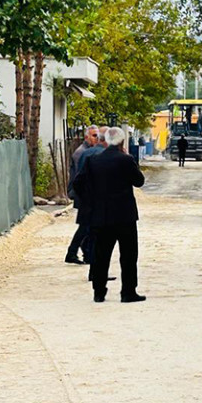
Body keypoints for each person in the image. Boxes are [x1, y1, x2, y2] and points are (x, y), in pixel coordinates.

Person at [74, 126, 146, 303]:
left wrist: (90, 202)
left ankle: (99, 292)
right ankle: (128, 292)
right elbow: (139, 181)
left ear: (104, 139)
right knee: (128, 255)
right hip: (124, 216)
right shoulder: (126, 160)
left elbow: (78, 183)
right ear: (121, 141)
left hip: (100, 215)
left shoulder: (94, 160)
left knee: (101, 255)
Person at [65, 126, 104, 265]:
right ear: (87, 136)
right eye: (94, 135)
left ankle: (82, 253)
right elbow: (79, 177)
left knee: (86, 226)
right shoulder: (82, 153)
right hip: (83, 194)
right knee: (85, 227)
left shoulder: (86, 152)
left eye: (97, 136)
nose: (96, 138)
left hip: (83, 194)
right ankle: (74, 252)